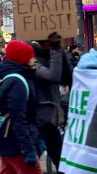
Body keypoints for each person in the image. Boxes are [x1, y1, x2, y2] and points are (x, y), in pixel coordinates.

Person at [0, 41, 43, 174]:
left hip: (8, 140)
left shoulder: (17, 78)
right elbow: (19, 118)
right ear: (22, 59)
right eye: (31, 56)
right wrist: (28, 149)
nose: (34, 59)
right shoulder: (17, 82)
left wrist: (37, 138)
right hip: (17, 143)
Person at [32, 32, 71, 170]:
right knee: (31, 166)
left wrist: (61, 53)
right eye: (51, 43)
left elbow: (67, 78)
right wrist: (55, 51)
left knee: (63, 165)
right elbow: (53, 76)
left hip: (51, 121)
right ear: (43, 43)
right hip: (38, 124)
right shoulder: (32, 61)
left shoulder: (50, 57)